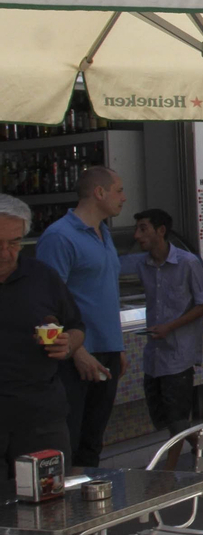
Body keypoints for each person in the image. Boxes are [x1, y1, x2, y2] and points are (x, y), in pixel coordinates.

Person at [0, 194, 84, 535]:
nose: (7, 253)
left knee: (38, 521)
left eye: (14, 243)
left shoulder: (40, 275)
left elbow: (75, 326)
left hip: (39, 415)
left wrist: (66, 345)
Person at [36, 165, 125, 468]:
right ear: (99, 192)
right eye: (119, 190)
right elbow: (47, 302)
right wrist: (78, 352)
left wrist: (118, 347)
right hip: (76, 354)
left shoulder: (105, 234)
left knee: (93, 440)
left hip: (107, 350)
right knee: (68, 441)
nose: (124, 198)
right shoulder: (59, 237)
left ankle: (88, 508)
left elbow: (106, 293)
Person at [123, 209, 203, 469]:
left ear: (160, 230)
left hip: (179, 353)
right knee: (165, 417)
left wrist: (170, 327)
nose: (137, 235)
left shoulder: (187, 263)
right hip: (154, 353)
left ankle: (168, 472)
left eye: (143, 228)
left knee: (177, 417)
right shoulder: (142, 265)